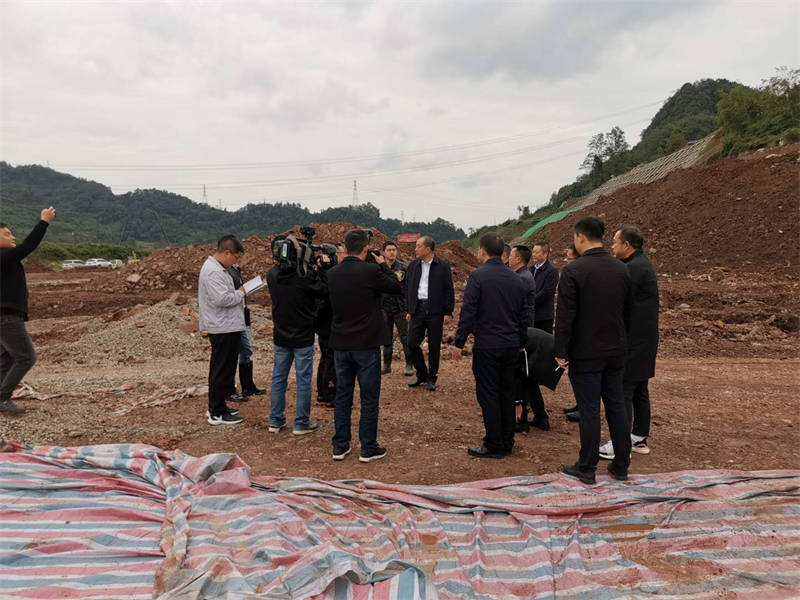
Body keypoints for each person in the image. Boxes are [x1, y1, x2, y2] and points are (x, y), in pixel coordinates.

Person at [555, 216, 632, 484]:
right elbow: (628, 312)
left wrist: (561, 350)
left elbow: (565, 317)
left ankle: (587, 467)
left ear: (580, 237)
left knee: (589, 409)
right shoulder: (622, 269)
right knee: (616, 406)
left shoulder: (573, 271)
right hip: (616, 349)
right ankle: (621, 465)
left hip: (586, 352)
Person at [328, 229, 401, 462]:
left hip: (341, 343)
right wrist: (383, 265)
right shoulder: (371, 271)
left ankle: (340, 445)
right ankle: (368, 447)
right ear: (366, 248)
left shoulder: (332, 273)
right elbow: (395, 286)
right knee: (369, 398)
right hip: (367, 345)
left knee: (343, 396)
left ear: (346, 247)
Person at [453, 233, 527, 459]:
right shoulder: (516, 278)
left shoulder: (478, 276)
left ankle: (494, 444)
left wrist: (459, 341)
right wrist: (522, 342)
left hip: (487, 345)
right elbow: (524, 314)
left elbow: (469, 310)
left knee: (488, 394)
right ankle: (507, 441)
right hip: (511, 345)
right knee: (507, 392)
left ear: (482, 251)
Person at [599, 225, 659, 460]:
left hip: (634, 341)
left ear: (627, 245)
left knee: (623, 390)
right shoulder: (641, 264)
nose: (612, 246)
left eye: (615, 241)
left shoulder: (634, 268)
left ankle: (620, 443)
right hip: (644, 340)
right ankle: (638, 437)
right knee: (639, 388)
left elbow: (617, 303)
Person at [266, 249, 329, 435]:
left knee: (279, 378)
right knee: (303, 380)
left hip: (280, 334)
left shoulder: (272, 274)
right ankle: (301, 423)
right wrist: (321, 269)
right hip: (303, 336)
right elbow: (325, 291)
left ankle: (275, 420)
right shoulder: (305, 277)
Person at [0, 207, 57, 416]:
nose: (12, 237)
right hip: (7, 318)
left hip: (5, 317)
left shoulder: (6, 258)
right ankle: (3, 398)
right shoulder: (3, 257)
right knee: (26, 358)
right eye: (7, 234)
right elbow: (28, 245)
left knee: (7, 359)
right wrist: (44, 222)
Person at [198, 235, 247, 426]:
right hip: (221, 327)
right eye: (235, 257)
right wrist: (241, 293)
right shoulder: (213, 271)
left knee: (224, 369)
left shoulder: (219, 269)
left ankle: (219, 406)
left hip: (227, 325)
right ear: (227, 253)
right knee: (220, 370)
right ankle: (216, 412)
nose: (235, 262)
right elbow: (222, 299)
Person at [405, 236, 455, 391]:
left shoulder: (442, 266)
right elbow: (408, 288)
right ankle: (422, 373)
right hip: (418, 309)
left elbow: (449, 289)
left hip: (435, 310)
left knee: (434, 346)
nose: (415, 249)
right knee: (411, 343)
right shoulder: (413, 266)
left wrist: (448, 312)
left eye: (418, 246)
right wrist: (409, 309)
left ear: (428, 249)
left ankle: (432, 377)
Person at [226, 262, 266, 400]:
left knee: (245, 350)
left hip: (240, 315)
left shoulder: (234, 268)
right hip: (233, 318)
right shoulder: (226, 270)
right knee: (234, 353)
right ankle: (231, 389)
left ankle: (247, 386)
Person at [380, 240, 413, 375]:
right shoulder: (379, 267)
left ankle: (409, 365)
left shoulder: (403, 268)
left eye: (394, 250)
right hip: (384, 307)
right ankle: (386, 365)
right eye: (389, 250)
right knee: (386, 338)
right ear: (383, 252)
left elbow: (409, 288)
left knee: (405, 337)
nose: (392, 252)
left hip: (400, 307)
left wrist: (409, 307)